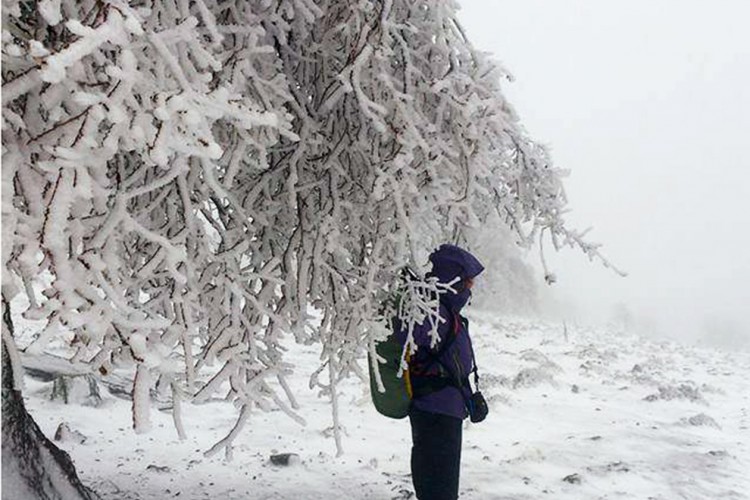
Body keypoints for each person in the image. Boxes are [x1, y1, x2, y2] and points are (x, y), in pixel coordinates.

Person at [395, 244, 484, 500]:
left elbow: (456, 365)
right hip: (434, 411)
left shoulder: (446, 312)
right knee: (437, 487)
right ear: (452, 280)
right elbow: (406, 334)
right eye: (468, 282)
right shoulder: (429, 311)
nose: (471, 288)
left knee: (440, 485)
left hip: (447, 410)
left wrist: (469, 398)